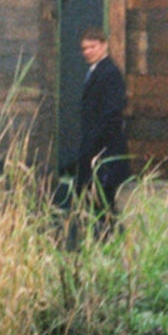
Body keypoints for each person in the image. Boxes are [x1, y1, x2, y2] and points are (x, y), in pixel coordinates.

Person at [70, 30, 129, 224]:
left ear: (104, 45)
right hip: (94, 145)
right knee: (92, 198)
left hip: (104, 149)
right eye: (84, 48)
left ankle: (109, 239)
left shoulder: (110, 73)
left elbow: (111, 114)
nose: (87, 52)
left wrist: (93, 144)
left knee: (103, 200)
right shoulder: (95, 71)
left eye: (92, 47)